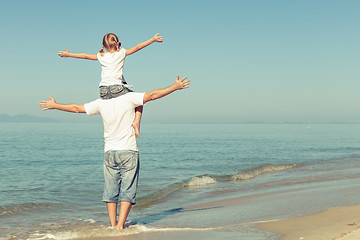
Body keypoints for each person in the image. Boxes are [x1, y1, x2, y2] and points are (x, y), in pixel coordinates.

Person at [39, 75, 190, 230]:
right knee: (128, 191)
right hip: (128, 151)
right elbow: (151, 96)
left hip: (109, 152)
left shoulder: (101, 103)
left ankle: (112, 225)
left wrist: (56, 105)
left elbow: (77, 108)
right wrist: (174, 87)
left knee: (111, 191)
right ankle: (120, 227)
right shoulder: (130, 98)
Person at [58, 33, 164, 137]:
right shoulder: (122, 53)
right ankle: (136, 122)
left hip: (103, 92)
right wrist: (152, 39)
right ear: (117, 44)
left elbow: (85, 56)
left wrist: (69, 54)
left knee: (109, 108)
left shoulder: (101, 55)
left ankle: (107, 129)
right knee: (139, 101)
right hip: (116, 89)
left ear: (104, 47)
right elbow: (138, 47)